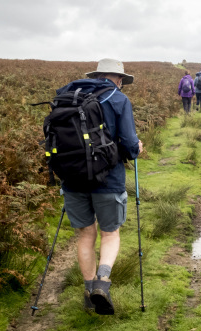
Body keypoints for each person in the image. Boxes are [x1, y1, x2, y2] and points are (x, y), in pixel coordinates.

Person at [55, 58, 143, 315]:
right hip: (108, 179)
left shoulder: (67, 94)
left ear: (96, 75)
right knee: (110, 233)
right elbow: (128, 143)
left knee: (85, 235)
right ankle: (102, 284)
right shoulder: (118, 99)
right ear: (118, 78)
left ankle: (87, 289)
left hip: (72, 178)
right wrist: (136, 149)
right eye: (122, 81)